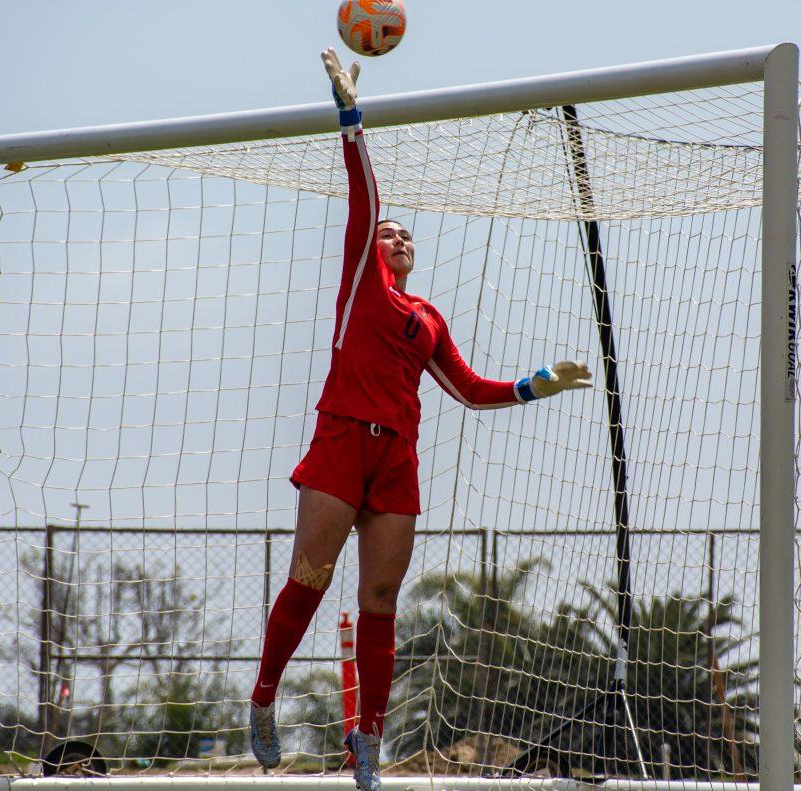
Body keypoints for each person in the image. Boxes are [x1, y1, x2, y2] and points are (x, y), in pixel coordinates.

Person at [248, 49, 593, 791]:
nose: (397, 238)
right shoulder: (360, 284)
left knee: (380, 599)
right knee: (310, 576)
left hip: (396, 457)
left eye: (407, 235)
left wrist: (536, 385)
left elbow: (468, 390)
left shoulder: (426, 317)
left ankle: (366, 738)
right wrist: (351, 120)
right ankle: (264, 698)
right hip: (342, 438)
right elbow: (366, 201)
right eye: (389, 233)